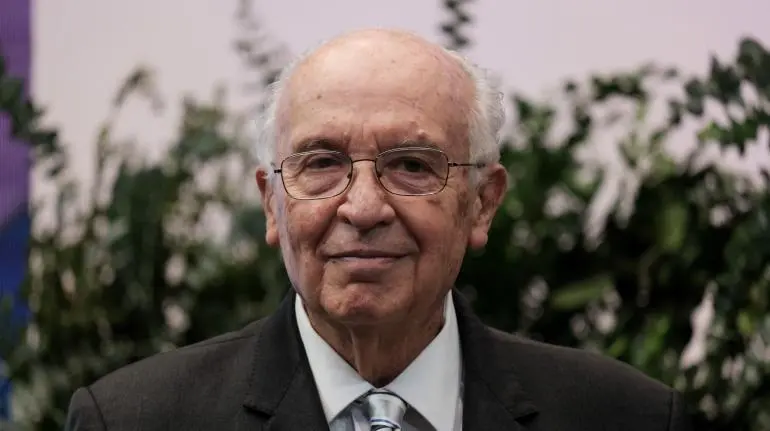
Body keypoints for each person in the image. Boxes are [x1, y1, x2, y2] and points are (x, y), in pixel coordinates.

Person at [65, 28, 693, 430]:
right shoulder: (132, 420)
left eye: (412, 166)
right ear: (272, 204)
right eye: (321, 163)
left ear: (482, 203)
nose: (363, 208)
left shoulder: (625, 417)